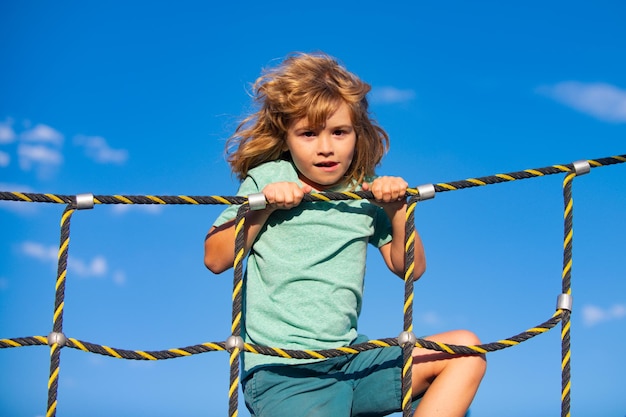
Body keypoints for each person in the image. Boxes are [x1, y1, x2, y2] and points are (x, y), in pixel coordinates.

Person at [204, 52, 486, 417]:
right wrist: (264, 207)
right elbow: (215, 258)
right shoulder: (268, 178)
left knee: (465, 351)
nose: (325, 147)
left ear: (358, 133)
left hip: (353, 361)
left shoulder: (363, 191)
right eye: (308, 134)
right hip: (284, 372)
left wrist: (395, 208)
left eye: (339, 132)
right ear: (286, 137)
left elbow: (411, 269)